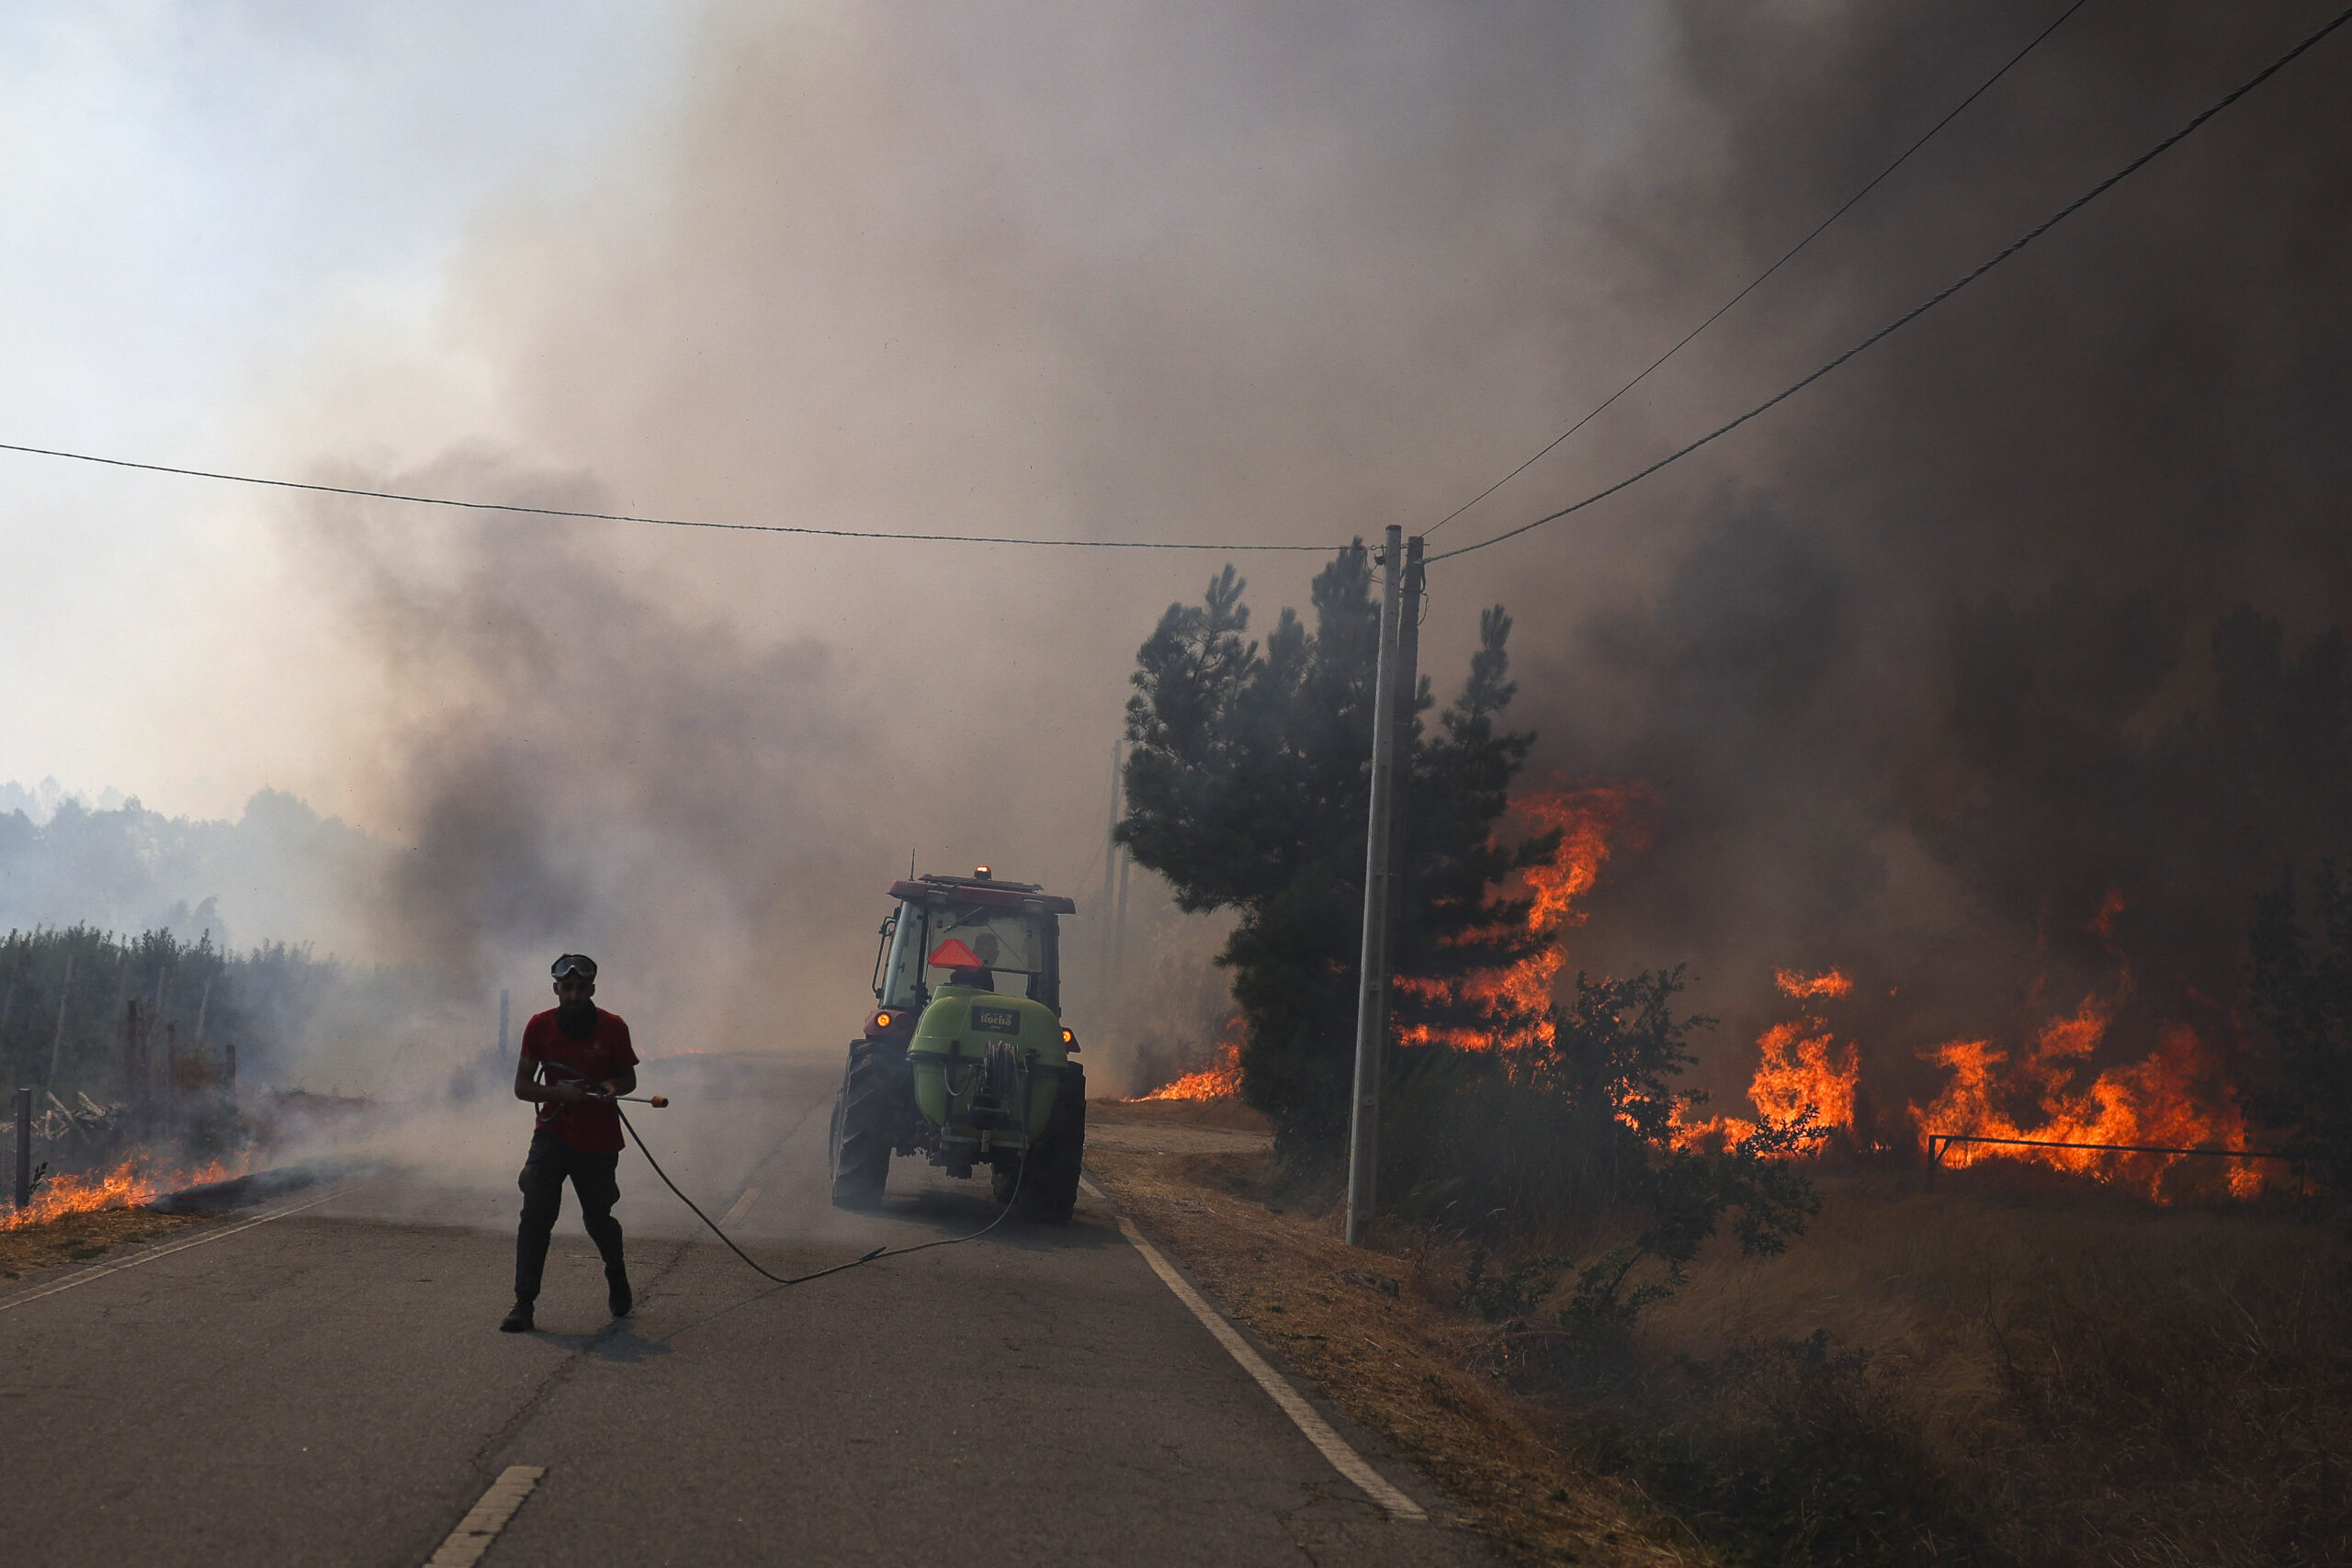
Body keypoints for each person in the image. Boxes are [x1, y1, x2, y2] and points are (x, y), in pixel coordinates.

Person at [500, 953, 639, 1334]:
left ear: (592, 989)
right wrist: (558, 1093)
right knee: (536, 1212)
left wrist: (611, 1087)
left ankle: (616, 1271)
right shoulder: (539, 1026)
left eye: (581, 988)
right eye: (567, 988)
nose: (574, 995)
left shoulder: (613, 1027)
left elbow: (628, 1079)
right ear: (556, 989)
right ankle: (523, 1303)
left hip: (599, 1139)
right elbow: (522, 1086)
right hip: (553, 1133)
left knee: (598, 1220)